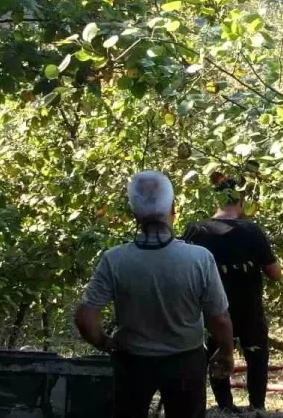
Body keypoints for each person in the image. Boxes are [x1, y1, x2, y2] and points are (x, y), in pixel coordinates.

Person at [75, 171, 236, 418]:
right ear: (173, 208)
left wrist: (105, 342)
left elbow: (85, 319)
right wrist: (225, 352)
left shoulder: (115, 259)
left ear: (134, 212)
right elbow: (220, 318)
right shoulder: (199, 258)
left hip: (132, 362)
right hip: (185, 361)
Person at [184, 171, 282, 412]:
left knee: (215, 352)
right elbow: (275, 273)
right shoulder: (252, 231)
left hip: (210, 310)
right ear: (240, 200)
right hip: (248, 308)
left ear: (216, 201)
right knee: (256, 355)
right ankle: (257, 406)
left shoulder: (196, 231)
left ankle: (225, 406)